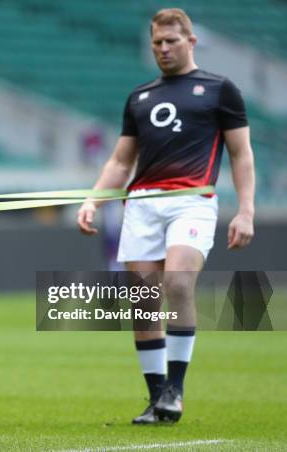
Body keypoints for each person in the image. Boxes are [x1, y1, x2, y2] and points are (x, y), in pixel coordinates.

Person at [77, 8, 255, 424]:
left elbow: (241, 153)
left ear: (190, 42)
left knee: (177, 281)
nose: (162, 49)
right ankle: (159, 400)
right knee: (143, 303)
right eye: (157, 42)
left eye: (171, 41)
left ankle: (176, 387)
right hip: (141, 204)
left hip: (192, 200)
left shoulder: (219, 89)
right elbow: (121, 161)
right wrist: (93, 200)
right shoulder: (140, 96)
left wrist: (245, 210)